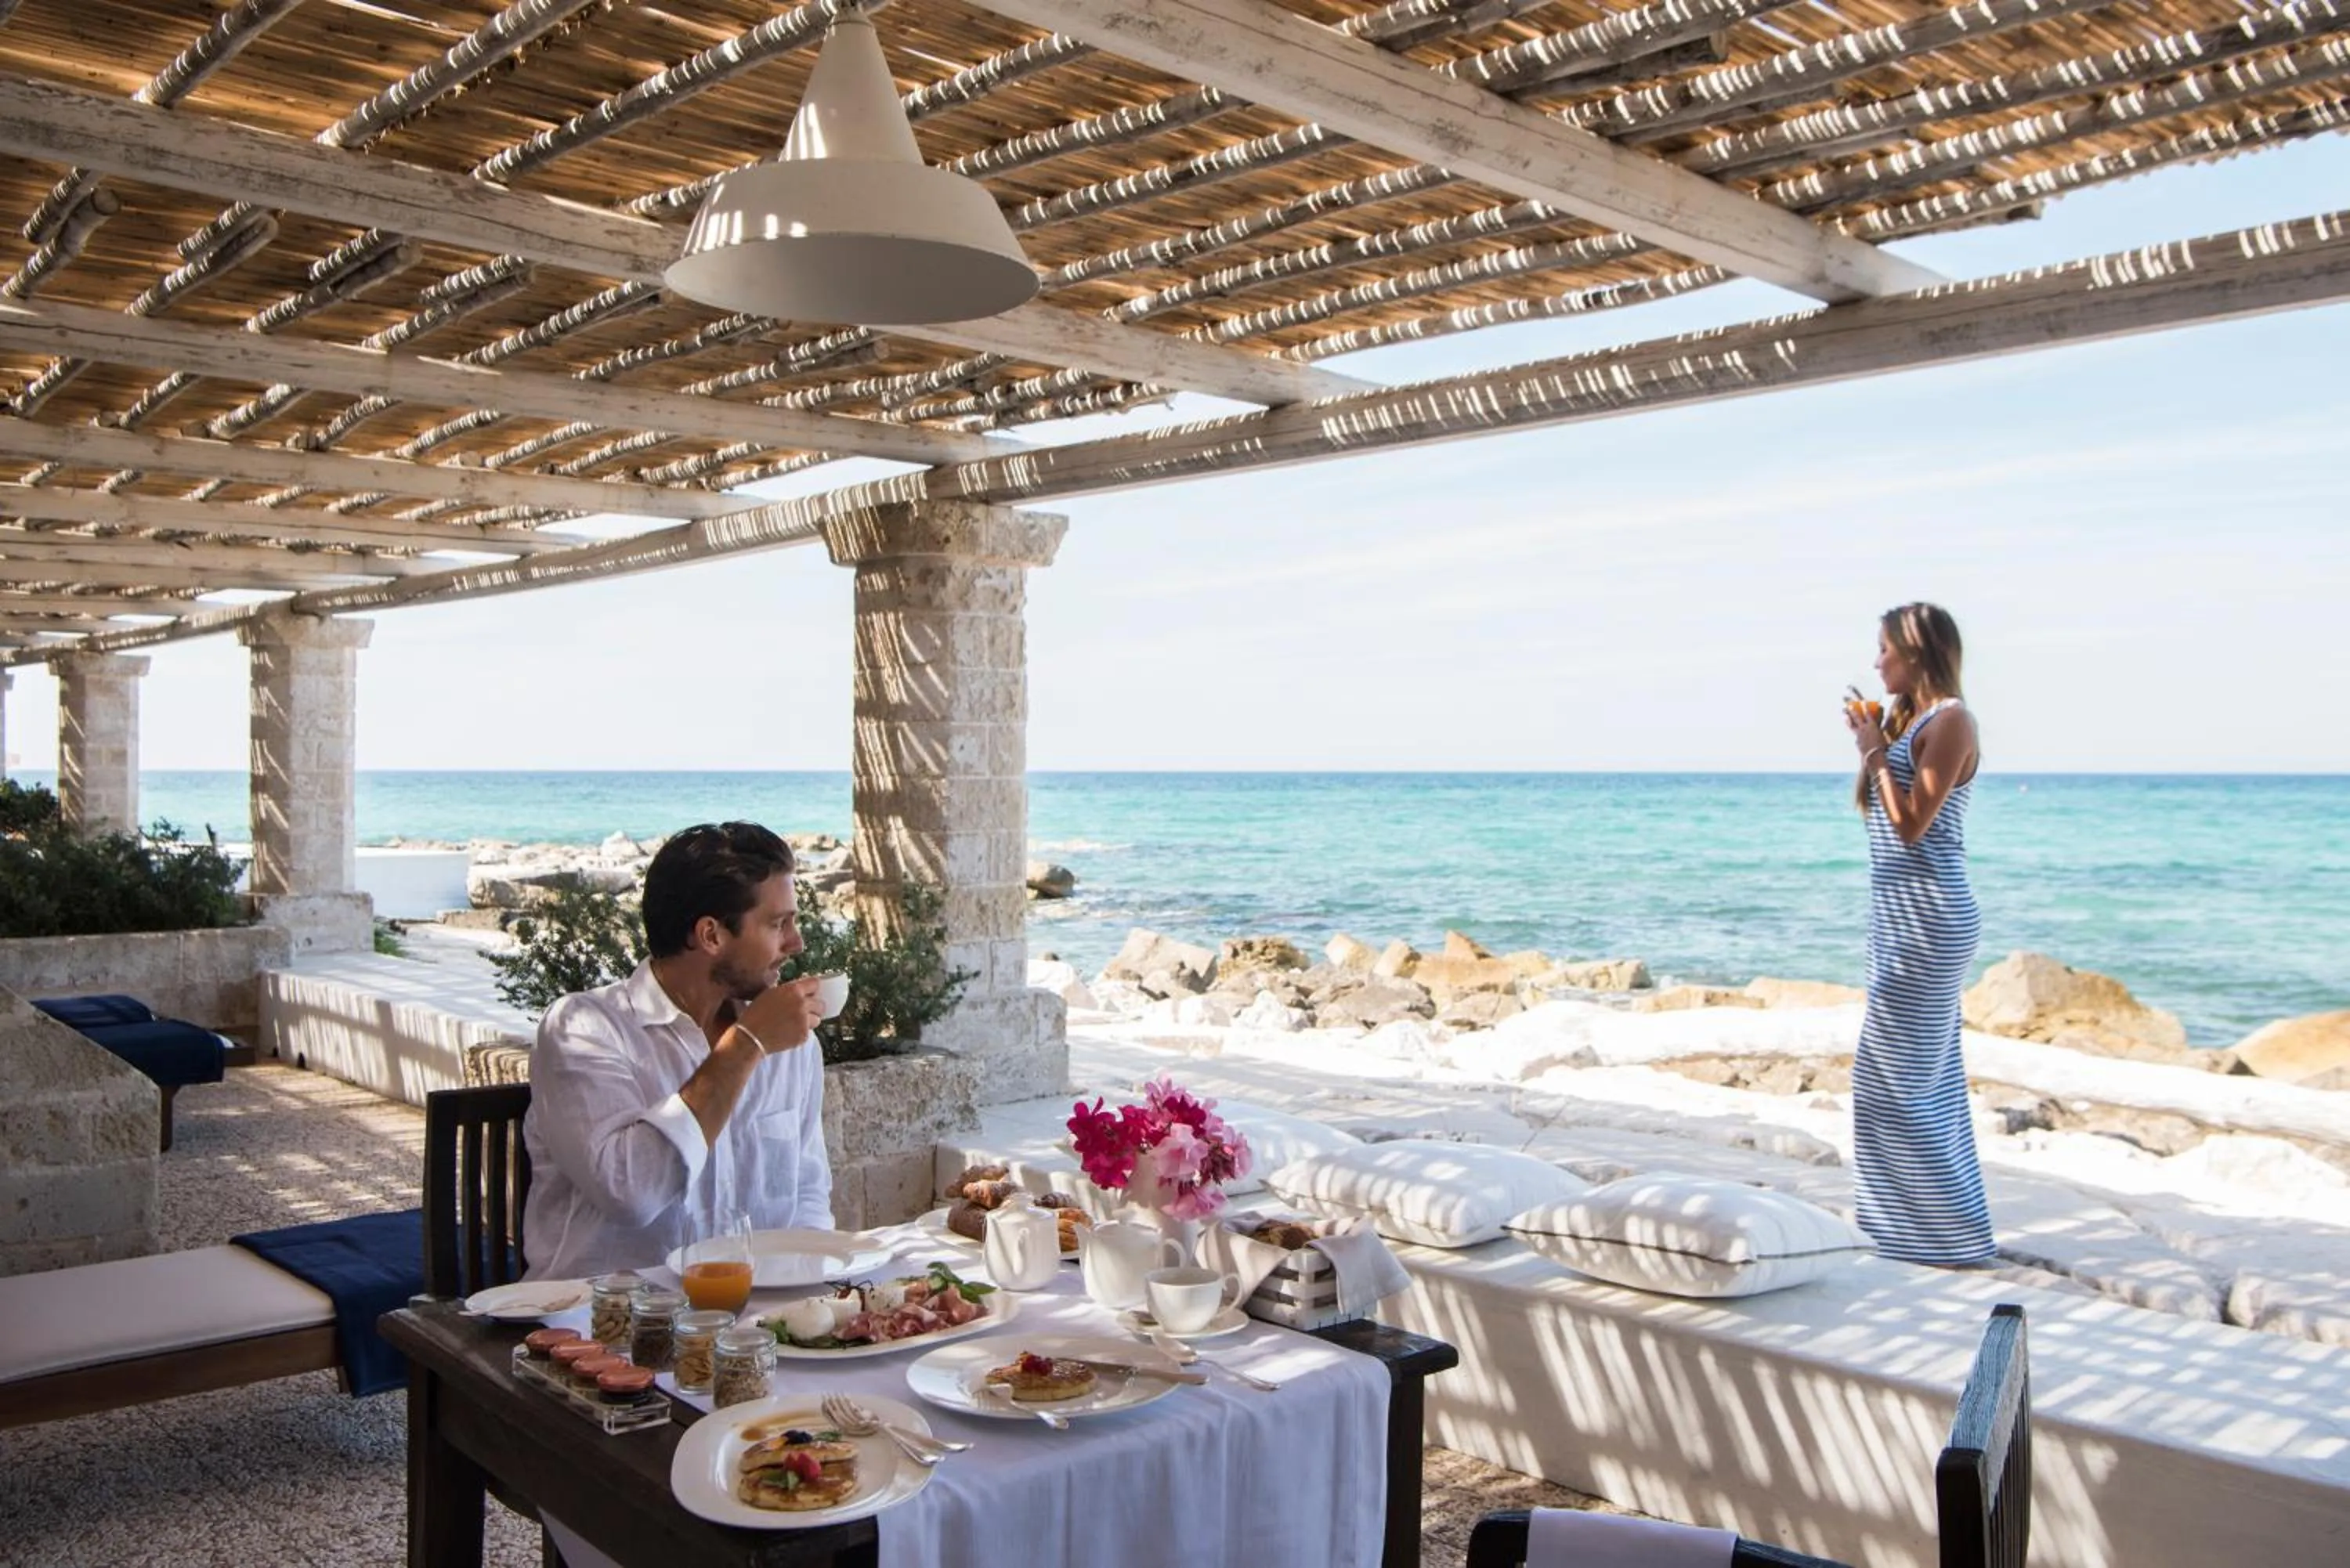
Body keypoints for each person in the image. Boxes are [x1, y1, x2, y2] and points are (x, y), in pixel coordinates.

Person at [522, 821, 830, 1281]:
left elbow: (808, 1193)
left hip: (752, 1327)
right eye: (777, 924)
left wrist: (806, 1301)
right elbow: (631, 1194)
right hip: (601, 1326)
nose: (796, 943)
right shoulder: (585, 1030)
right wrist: (746, 1046)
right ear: (710, 935)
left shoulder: (792, 1043)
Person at [1842, 603, 1994, 1268]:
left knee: (1892, 1080)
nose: (1876, 663)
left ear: (1916, 652)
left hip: (1928, 920)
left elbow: (1912, 827)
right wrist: (1876, 739)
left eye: (1884, 650)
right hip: (1903, 918)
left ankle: (1927, 1238)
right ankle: (1929, 1230)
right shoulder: (1919, 722)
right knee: (1913, 1078)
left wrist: (1875, 750)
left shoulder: (1953, 720)